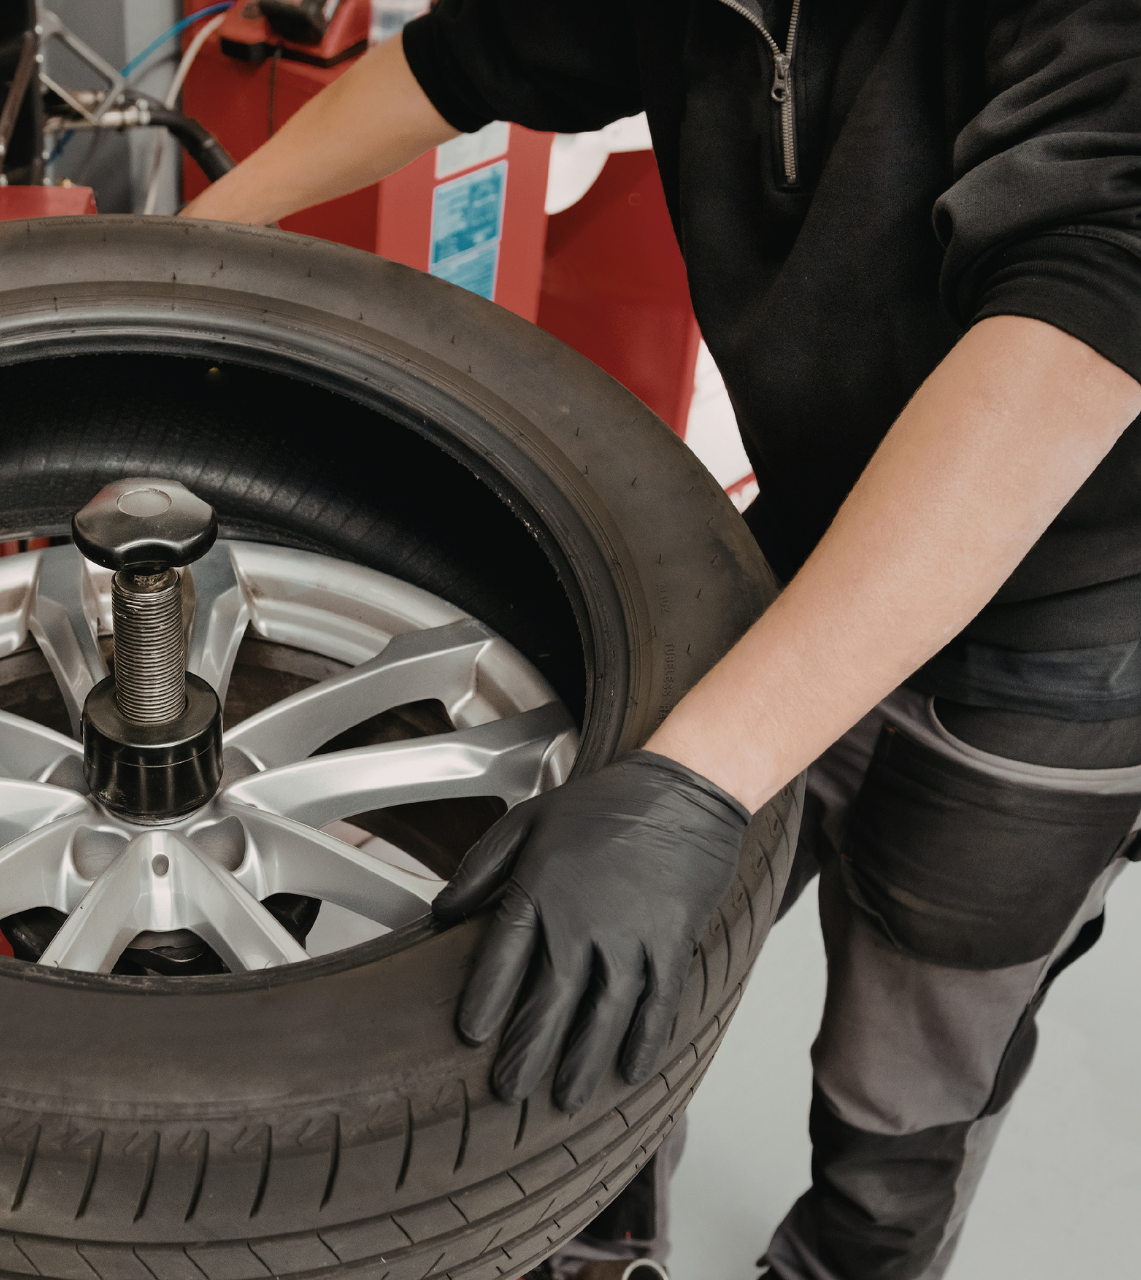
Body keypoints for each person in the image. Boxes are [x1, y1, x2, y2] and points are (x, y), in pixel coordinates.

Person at [181, 3, 1141, 1279]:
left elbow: (1087, 315)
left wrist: (698, 779)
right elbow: (455, 62)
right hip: (816, 522)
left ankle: (853, 1259)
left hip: (1073, 634)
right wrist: (200, 231)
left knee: (905, 1072)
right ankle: (594, 1232)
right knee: (596, 948)